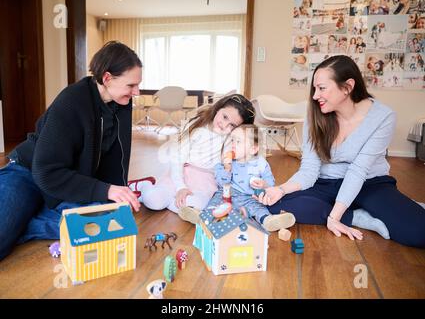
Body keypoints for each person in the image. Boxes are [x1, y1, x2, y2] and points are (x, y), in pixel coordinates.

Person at [255, 55, 425, 248]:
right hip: (326, 183)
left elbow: (358, 170)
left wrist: (334, 218)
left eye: (322, 88)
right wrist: (280, 189)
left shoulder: (383, 116)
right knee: (273, 204)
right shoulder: (315, 115)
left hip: (370, 183)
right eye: (314, 89)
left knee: (419, 233)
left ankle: (356, 208)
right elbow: (309, 170)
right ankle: (356, 215)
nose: (315, 96)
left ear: (347, 87)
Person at [0, 41, 148, 261]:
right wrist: (105, 190)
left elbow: (117, 160)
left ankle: (25, 217)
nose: (136, 91)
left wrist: (116, 195)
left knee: (102, 223)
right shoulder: (72, 102)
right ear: (107, 78)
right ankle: (21, 215)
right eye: (131, 85)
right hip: (29, 172)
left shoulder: (121, 103)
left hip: (67, 182)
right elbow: (46, 172)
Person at [129, 94, 256, 219]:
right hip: (181, 174)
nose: (225, 124)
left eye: (232, 125)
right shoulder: (197, 126)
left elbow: (234, 167)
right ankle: (144, 185)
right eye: (224, 117)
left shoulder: (231, 139)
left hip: (205, 181)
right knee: (153, 201)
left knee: (199, 204)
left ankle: (174, 203)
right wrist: (181, 187)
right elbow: (177, 159)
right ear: (218, 108)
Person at [179, 124, 296, 231]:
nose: (233, 145)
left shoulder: (260, 163)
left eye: (238, 141)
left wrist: (264, 184)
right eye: (232, 140)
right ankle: (201, 217)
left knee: (259, 208)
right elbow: (221, 182)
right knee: (215, 204)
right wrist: (227, 168)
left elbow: (270, 183)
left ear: (253, 149)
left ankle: (268, 221)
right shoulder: (224, 162)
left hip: (250, 197)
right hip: (227, 194)